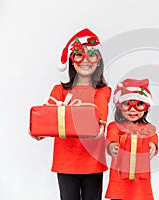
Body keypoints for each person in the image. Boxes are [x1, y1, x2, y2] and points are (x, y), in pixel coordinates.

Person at [30, 28, 111, 200]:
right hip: (65, 163)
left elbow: (100, 111)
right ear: (71, 60)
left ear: (99, 61)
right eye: (79, 55)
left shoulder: (102, 91)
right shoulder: (59, 90)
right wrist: (38, 130)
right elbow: (47, 116)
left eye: (92, 55)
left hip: (93, 163)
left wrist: (100, 126)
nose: (85, 61)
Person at [105, 78, 158, 200]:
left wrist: (153, 146)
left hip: (140, 181)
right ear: (119, 107)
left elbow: (153, 138)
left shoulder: (148, 128)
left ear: (146, 107)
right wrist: (112, 146)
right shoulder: (115, 126)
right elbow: (111, 138)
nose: (132, 109)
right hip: (119, 180)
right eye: (127, 104)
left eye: (138, 104)